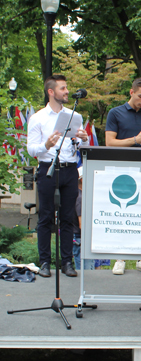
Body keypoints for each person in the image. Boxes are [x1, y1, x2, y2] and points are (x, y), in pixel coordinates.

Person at [27, 75, 88, 278]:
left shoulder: (73, 116)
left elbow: (81, 148)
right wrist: (46, 145)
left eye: (67, 87)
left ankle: (67, 262)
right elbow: (30, 149)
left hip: (69, 169)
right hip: (47, 168)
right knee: (45, 216)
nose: (67, 91)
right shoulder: (38, 118)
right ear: (51, 92)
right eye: (63, 88)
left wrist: (83, 139)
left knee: (67, 217)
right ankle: (44, 262)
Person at [105, 77, 141, 275]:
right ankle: (120, 258)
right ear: (131, 92)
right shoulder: (115, 113)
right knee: (121, 213)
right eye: (140, 96)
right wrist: (134, 140)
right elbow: (110, 142)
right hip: (120, 168)